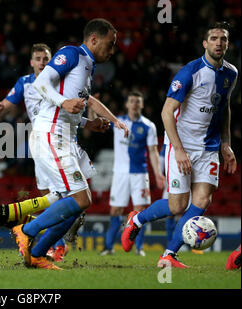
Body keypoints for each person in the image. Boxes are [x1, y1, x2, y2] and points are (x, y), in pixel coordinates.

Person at [12, 18, 129, 270]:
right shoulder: (72, 54)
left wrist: (91, 123)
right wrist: (63, 102)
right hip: (52, 134)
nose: (112, 50)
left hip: (62, 135)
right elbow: (41, 83)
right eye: (110, 44)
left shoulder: (87, 67)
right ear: (94, 39)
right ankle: (26, 230)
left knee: (74, 207)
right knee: (81, 199)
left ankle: (38, 254)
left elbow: (80, 104)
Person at [121, 22, 238, 268]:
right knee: (177, 206)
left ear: (227, 44)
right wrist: (180, 150)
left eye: (223, 39)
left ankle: (168, 255)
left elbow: (224, 108)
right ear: (205, 44)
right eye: (214, 38)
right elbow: (166, 113)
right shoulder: (190, 72)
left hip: (209, 149)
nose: (219, 43)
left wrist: (226, 144)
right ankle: (137, 220)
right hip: (180, 145)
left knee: (202, 201)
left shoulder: (231, 74)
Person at [0, 43, 110, 262]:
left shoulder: (60, 78)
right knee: (64, 198)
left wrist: (88, 123)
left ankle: (41, 242)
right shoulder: (26, 83)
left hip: (66, 139)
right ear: (31, 62)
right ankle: (48, 244)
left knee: (74, 199)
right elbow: (8, 103)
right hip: (46, 139)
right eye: (38, 58)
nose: (42, 62)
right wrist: (0, 106)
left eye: (46, 58)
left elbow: (68, 109)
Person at [101, 91, 165, 256]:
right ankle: (108, 247)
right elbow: (98, 121)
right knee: (115, 210)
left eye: (138, 101)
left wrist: (158, 173)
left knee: (140, 211)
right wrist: (94, 107)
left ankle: (139, 247)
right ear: (127, 104)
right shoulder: (118, 122)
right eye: (132, 101)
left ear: (142, 105)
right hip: (120, 174)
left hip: (139, 174)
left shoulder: (149, 126)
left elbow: (153, 151)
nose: (135, 104)